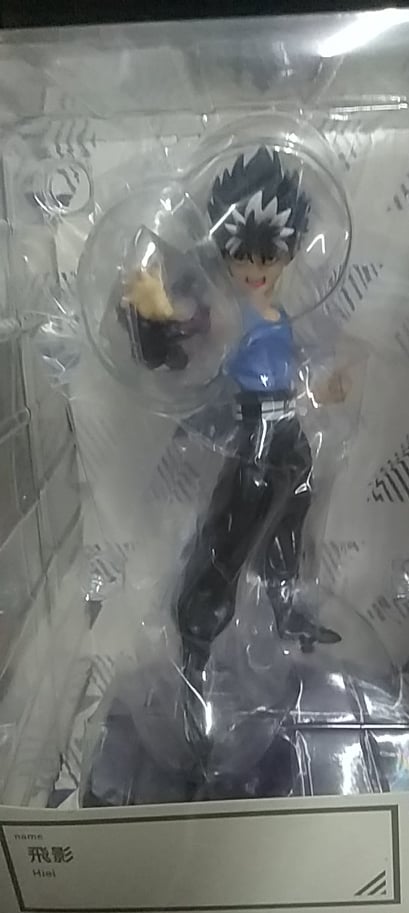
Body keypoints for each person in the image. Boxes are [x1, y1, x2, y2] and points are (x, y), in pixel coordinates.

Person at [122, 146, 347, 673]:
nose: (255, 268)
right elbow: (185, 329)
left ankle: (287, 612)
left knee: (289, 526)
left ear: (289, 251)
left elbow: (295, 362)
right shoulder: (226, 312)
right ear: (224, 250)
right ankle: (196, 637)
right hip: (255, 437)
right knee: (230, 539)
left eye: (268, 256)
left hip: (290, 433)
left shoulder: (280, 312)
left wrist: (326, 384)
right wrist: (155, 311)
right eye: (242, 255)